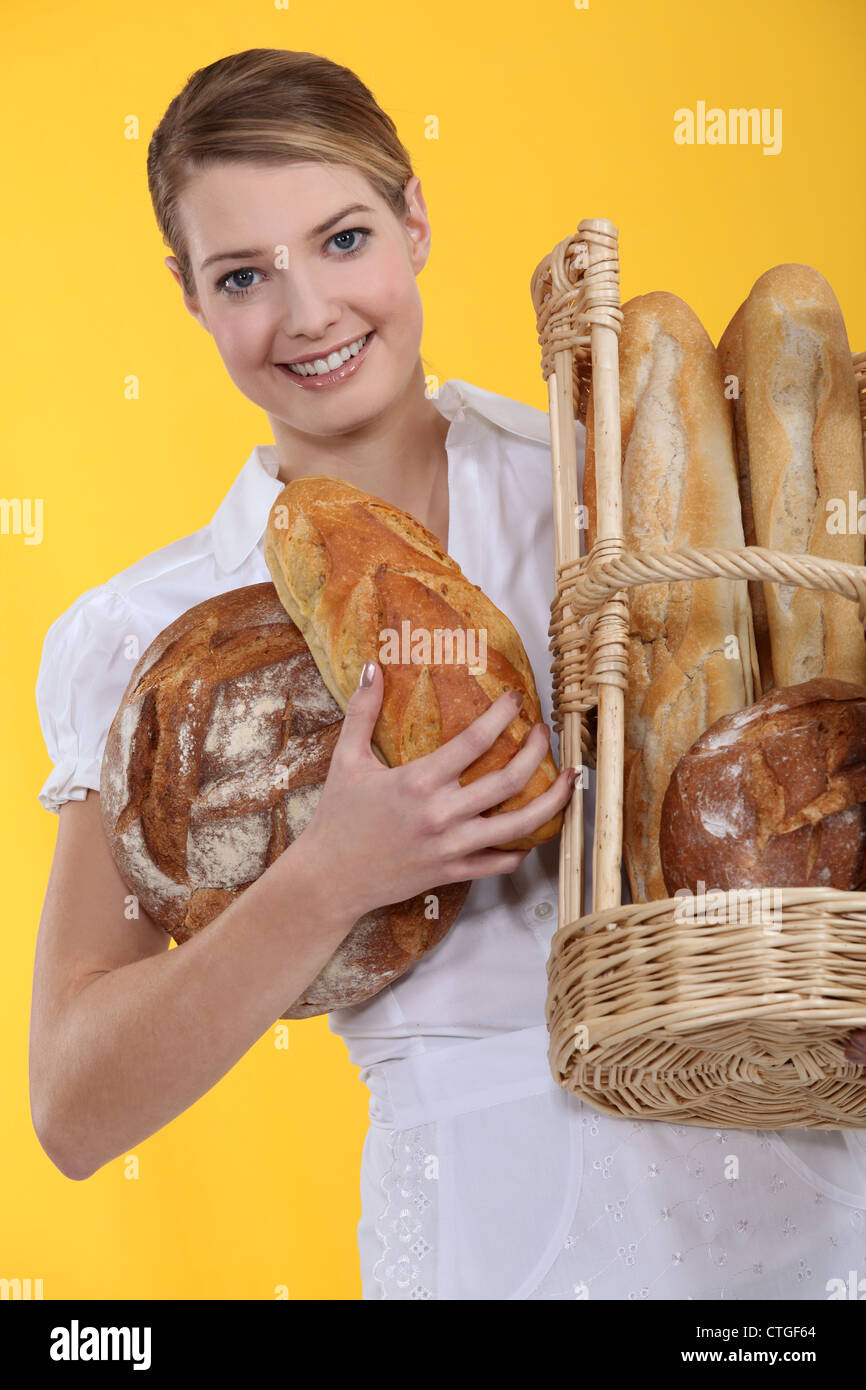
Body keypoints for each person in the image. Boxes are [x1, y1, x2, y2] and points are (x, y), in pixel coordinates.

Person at [31, 47, 866, 1301]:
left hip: (805, 1220)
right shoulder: (149, 635)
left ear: (415, 219)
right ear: (188, 297)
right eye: (244, 274)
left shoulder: (615, 499)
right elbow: (75, 1106)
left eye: (344, 238)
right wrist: (332, 875)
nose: (308, 311)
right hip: (489, 1251)